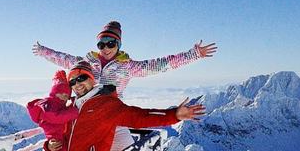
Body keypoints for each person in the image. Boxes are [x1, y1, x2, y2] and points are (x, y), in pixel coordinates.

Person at [49, 61, 205, 151]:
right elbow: (58, 135)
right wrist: (49, 146)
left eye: (81, 78)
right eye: (72, 82)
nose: (77, 84)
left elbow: (138, 116)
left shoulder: (106, 104)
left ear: (91, 79)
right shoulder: (70, 106)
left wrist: (173, 114)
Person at [32, 20, 216, 94]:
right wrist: (43, 51)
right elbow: (63, 58)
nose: (106, 48)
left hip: (110, 112)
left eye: (111, 43)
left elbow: (162, 64)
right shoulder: (86, 63)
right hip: (84, 109)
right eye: (101, 44)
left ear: (118, 45)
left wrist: (194, 54)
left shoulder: (128, 67)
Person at [26, 70, 80, 151]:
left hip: (61, 139)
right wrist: (75, 111)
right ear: (55, 92)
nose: (65, 98)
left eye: (67, 96)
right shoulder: (50, 105)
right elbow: (57, 117)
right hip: (56, 135)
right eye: (62, 94)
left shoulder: (58, 105)